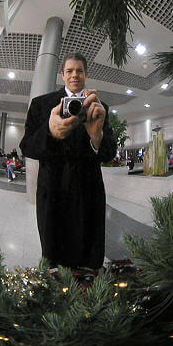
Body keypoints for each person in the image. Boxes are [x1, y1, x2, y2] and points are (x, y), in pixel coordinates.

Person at [20, 52, 116, 270]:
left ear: (86, 75)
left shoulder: (99, 107)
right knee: (55, 258)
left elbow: (109, 152)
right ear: (62, 74)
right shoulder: (41, 105)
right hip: (53, 192)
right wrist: (50, 132)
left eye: (80, 71)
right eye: (70, 71)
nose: (75, 75)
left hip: (88, 193)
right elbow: (26, 147)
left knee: (89, 258)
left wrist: (96, 136)